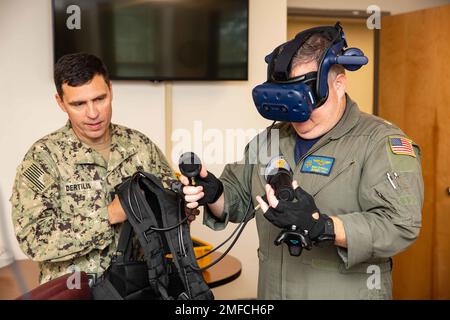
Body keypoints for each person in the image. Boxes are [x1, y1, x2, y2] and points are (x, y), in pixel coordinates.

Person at [181, 25, 424, 299]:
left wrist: (324, 226)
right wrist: (213, 192)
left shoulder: (380, 142)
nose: (298, 115)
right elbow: (236, 201)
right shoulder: (269, 140)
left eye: (307, 100)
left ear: (339, 84)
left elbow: (400, 225)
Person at [10, 53, 175, 285]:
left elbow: (170, 214)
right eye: (79, 104)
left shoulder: (140, 146)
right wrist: (109, 215)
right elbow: (34, 240)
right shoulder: (42, 159)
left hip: (138, 288)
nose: (93, 113)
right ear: (60, 102)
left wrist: (183, 205)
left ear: (111, 90)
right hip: (74, 292)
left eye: (99, 99)